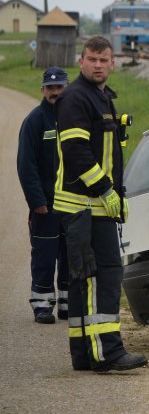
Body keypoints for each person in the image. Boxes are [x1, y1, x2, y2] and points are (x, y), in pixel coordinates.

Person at [54, 36, 147, 372]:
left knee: (83, 279)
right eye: (91, 59)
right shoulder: (77, 98)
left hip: (89, 206)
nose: (97, 64)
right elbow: (78, 154)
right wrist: (108, 191)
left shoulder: (100, 97)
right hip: (86, 206)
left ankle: (83, 353)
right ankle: (108, 352)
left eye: (103, 59)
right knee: (103, 275)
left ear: (112, 63)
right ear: (81, 62)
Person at [17, 66, 70, 324]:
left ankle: (67, 305)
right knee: (45, 256)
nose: (55, 92)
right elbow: (26, 165)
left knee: (71, 256)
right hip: (46, 207)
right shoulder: (34, 121)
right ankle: (42, 306)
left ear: (67, 88)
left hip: (72, 204)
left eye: (59, 87)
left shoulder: (75, 117)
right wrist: (36, 201)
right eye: (50, 88)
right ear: (42, 90)